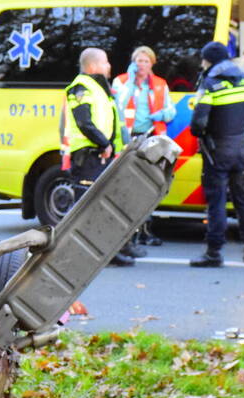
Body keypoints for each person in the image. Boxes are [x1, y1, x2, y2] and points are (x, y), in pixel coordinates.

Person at [189, 41, 244, 268]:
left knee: (216, 202)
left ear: (209, 61)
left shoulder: (211, 84)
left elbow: (198, 124)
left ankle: (214, 253)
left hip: (217, 152)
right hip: (239, 151)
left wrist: (207, 129)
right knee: (242, 199)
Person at [62, 48, 133, 266]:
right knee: (86, 208)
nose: (109, 66)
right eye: (106, 62)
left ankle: (106, 252)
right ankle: (72, 255)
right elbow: (84, 122)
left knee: (101, 206)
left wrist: (113, 145)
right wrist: (104, 143)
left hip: (101, 155)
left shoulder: (100, 89)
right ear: (93, 66)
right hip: (88, 157)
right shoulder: (81, 87)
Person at [112, 46, 177, 248]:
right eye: (138, 61)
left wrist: (162, 116)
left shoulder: (159, 84)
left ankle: (145, 231)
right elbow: (118, 105)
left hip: (151, 139)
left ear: (152, 63)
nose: (142, 65)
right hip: (127, 140)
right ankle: (126, 234)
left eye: (146, 61)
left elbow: (170, 110)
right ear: (132, 62)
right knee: (127, 187)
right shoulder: (121, 81)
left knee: (147, 187)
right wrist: (131, 84)